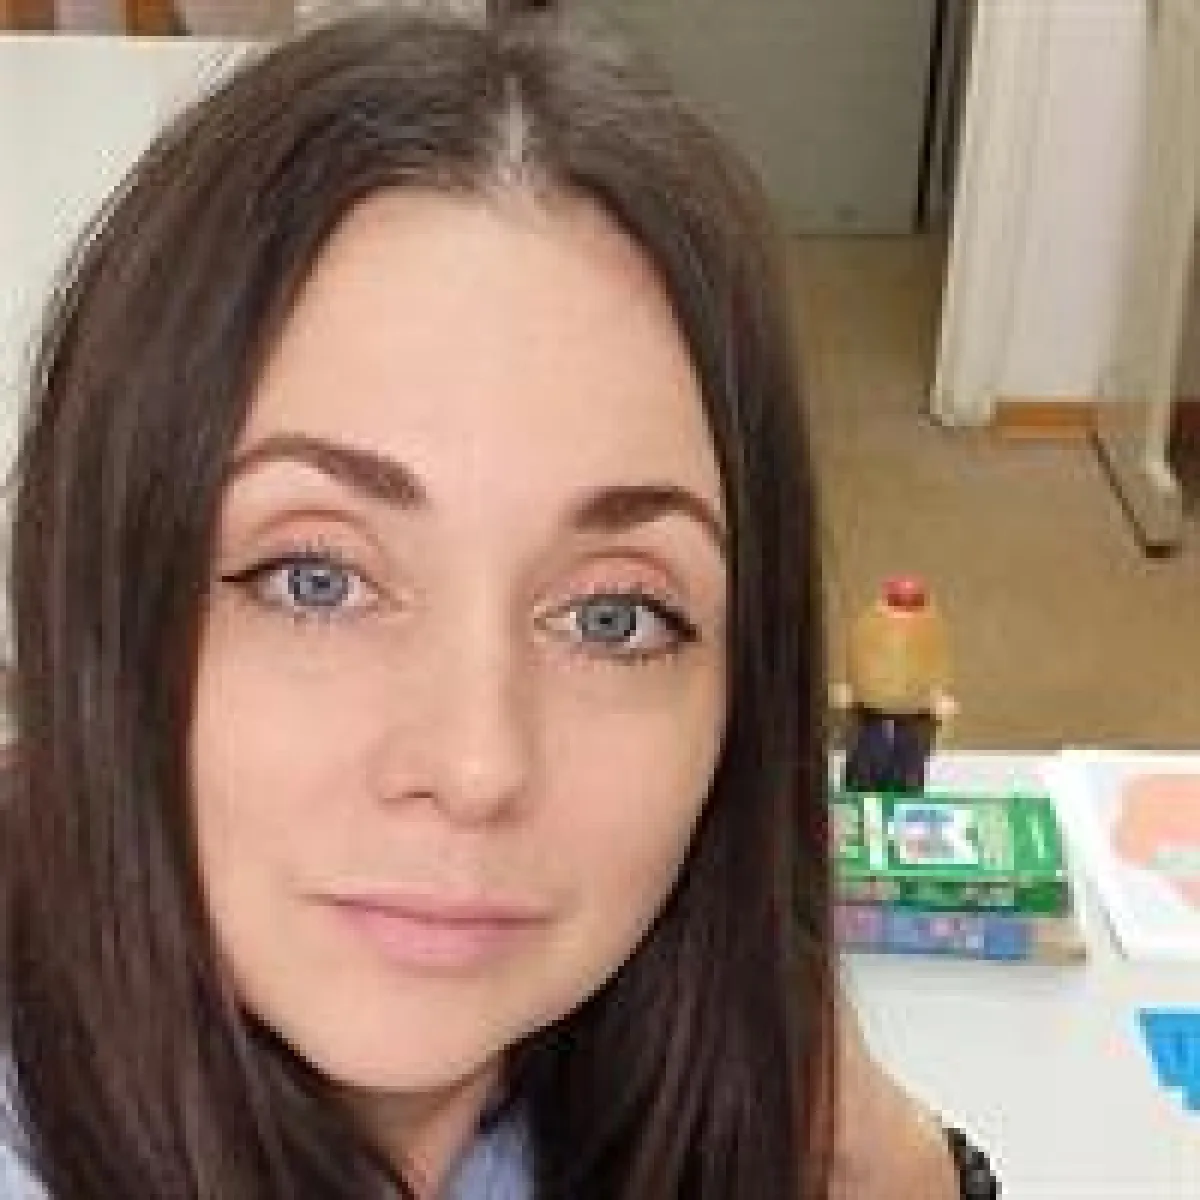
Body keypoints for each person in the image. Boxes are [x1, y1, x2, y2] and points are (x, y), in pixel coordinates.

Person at [1, 8, 979, 1197]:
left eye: (613, 619)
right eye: (316, 580)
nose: (477, 766)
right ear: (101, 600)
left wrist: (893, 1164)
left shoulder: (687, 1069)